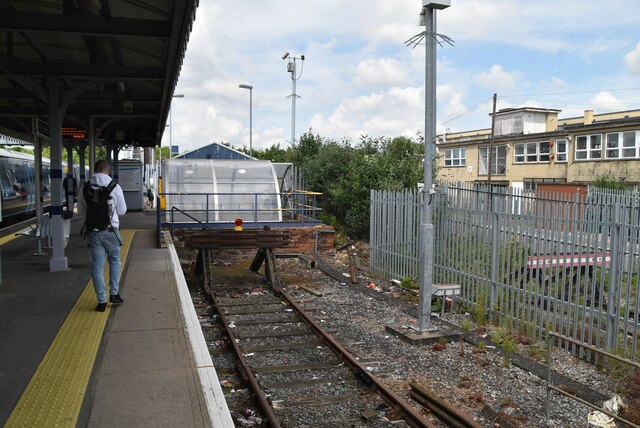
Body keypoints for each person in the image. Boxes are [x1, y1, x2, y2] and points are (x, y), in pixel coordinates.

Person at [78, 160, 128, 312]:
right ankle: (114, 294)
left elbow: (81, 212)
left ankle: (101, 302)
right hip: (111, 230)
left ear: (95, 170)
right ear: (108, 170)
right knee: (114, 262)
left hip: (94, 232)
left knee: (97, 267)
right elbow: (122, 211)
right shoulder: (115, 187)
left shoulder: (85, 188)